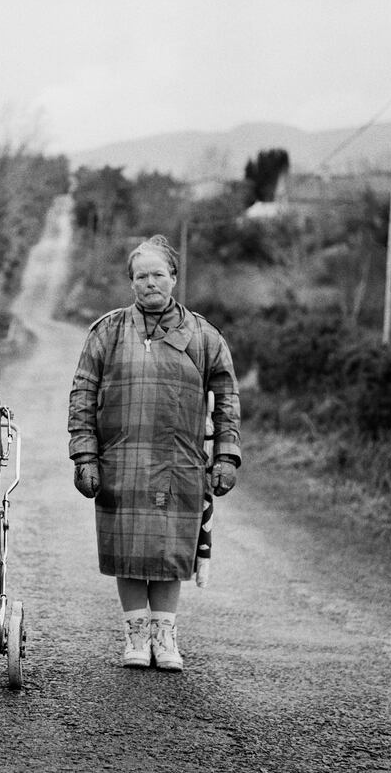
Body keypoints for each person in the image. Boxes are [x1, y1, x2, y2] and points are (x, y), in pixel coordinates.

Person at [67, 234, 241, 671]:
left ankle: (165, 638)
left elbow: (227, 397)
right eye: (141, 276)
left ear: (174, 278)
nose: (150, 283)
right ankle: (136, 637)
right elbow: (82, 394)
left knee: (168, 554)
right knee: (130, 552)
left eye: (158, 274)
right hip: (120, 462)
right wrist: (84, 456)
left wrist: (226, 456)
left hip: (180, 463)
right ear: (131, 283)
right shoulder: (107, 331)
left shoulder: (204, 335)